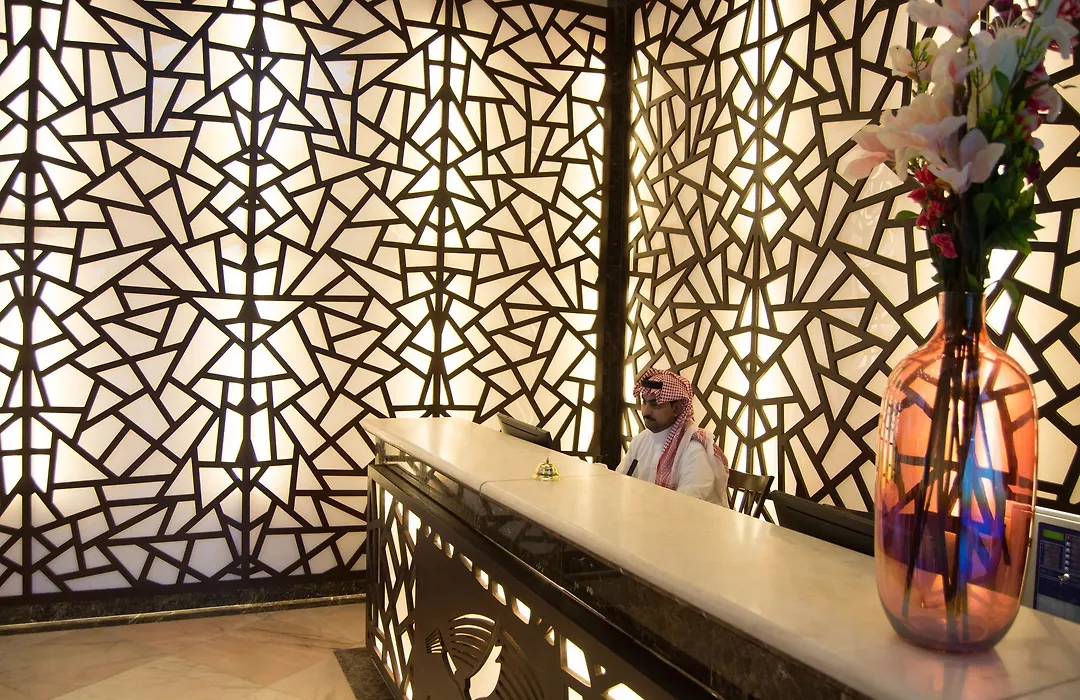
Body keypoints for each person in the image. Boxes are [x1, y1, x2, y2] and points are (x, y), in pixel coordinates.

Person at [616, 368, 730, 506]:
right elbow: (620, 482)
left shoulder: (694, 450)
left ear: (676, 409)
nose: (645, 411)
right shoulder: (641, 441)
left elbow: (685, 506)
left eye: (655, 404)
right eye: (644, 402)